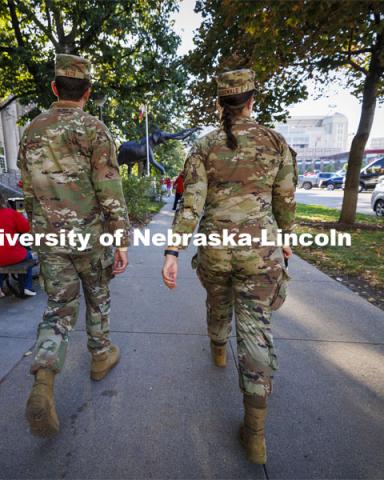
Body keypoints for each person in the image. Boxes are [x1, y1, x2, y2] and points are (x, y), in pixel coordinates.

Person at [161, 69, 297, 465]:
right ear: (252, 101)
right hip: (261, 250)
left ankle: (219, 348)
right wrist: (285, 237)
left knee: (218, 299)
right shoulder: (275, 142)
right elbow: (285, 200)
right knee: (256, 327)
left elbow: (192, 204)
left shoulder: (204, 146)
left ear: (220, 104)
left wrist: (172, 251)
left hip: (217, 248)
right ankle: (255, 434)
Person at [18, 53, 130, 438]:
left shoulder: (32, 130)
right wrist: (121, 239)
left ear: (54, 88)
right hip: (89, 235)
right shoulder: (95, 129)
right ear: (87, 91)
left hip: (50, 236)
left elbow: (27, 189)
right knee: (98, 295)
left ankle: (44, 381)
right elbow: (109, 188)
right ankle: (100, 356)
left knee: (57, 308)